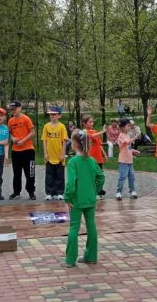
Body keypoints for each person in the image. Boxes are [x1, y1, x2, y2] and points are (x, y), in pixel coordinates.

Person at [64, 130, 105, 267]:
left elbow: (70, 183)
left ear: (75, 144)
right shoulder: (92, 160)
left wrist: (68, 198)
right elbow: (101, 177)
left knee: (74, 227)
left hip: (76, 200)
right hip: (90, 199)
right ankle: (91, 256)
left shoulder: (73, 162)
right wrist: (94, 191)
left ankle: (70, 260)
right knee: (91, 225)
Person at [7, 101, 36, 201]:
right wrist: (13, 139)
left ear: (20, 108)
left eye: (15, 109)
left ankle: (31, 191)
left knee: (30, 172)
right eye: (11, 109)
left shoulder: (26, 119)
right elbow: (10, 133)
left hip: (28, 149)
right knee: (16, 172)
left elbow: (32, 132)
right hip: (16, 150)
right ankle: (16, 192)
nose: (13, 111)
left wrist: (23, 141)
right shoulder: (10, 121)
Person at [41, 107, 68, 201]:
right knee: (49, 175)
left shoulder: (62, 127)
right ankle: (49, 193)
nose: (52, 116)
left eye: (54, 114)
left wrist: (62, 154)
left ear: (59, 115)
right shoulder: (46, 126)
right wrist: (45, 153)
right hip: (50, 156)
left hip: (59, 155)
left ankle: (60, 192)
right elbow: (44, 140)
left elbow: (64, 141)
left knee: (60, 175)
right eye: (51, 114)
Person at [81, 114, 108, 199]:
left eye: (92, 122)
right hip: (90, 158)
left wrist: (104, 154)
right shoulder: (84, 132)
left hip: (98, 158)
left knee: (99, 176)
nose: (92, 123)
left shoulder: (95, 131)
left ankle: (98, 191)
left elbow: (99, 144)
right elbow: (92, 136)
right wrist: (103, 131)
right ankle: (91, 192)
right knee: (91, 176)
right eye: (90, 122)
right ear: (84, 123)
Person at [114, 118, 138, 199]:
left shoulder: (128, 135)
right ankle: (118, 192)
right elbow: (128, 142)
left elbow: (128, 147)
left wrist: (133, 150)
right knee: (122, 177)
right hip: (123, 161)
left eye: (129, 126)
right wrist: (136, 136)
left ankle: (132, 191)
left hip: (130, 161)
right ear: (123, 127)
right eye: (128, 126)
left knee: (131, 177)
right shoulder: (121, 135)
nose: (129, 127)